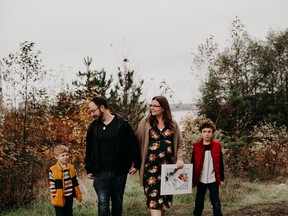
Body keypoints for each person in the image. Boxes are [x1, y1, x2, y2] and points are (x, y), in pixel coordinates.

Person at [85, 95, 141, 216]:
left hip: (119, 171)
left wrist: (136, 164)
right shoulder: (93, 127)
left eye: (93, 110)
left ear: (102, 107)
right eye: (90, 111)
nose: (91, 114)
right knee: (103, 202)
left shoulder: (123, 124)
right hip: (100, 172)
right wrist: (89, 168)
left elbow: (133, 144)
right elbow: (89, 149)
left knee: (117, 202)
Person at [136, 95, 185, 216]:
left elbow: (180, 144)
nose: (151, 108)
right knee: (154, 202)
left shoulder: (173, 124)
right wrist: (134, 164)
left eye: (155, 106)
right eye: (150, 105)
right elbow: (136, 143)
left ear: (163, 108)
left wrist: (179, 159)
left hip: (168, 171)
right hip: (150, 170)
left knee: (162, 205)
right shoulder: (145, 123)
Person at [191, 119, 224, 216]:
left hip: (213, 178)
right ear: (201, 133)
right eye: (204, 132)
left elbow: (220, 163)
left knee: (216, 201)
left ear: (212, 133)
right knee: (199, 201)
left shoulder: (217, 146)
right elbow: (193, 163)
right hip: (201, 179)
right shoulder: (196, 146)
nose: (207, 134)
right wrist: (192, 180)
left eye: (209, 132)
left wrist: (221, 178)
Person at [49, 145, 82, 216]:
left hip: (69, 195)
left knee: (69, 213)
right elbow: (52, 185)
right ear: (56, 157)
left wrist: (76, 192)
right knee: (60, 214)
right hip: (59, 196)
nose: (65, 157)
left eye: (67, 155)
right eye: (63, 155)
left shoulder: (71, 167)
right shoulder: (53, 169)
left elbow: (75, 180)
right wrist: (55, 196)